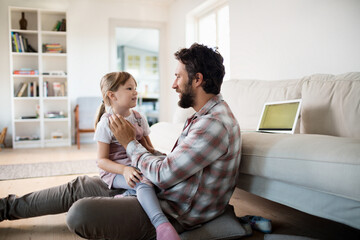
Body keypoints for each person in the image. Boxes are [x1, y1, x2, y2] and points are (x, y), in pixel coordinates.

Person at [0, 43, 241, 240]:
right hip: (156, 187)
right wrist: (135, 161)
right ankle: (4, 208)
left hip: (173, 211)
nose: (173, 84)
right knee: (79, 186)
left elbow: (164, 173)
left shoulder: (214, 125)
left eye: (178, 76)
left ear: (197, 79)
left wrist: (129, 144)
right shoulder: (203, 116)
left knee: (80, 213)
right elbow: (170, 164)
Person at [94, 71, 180, 240]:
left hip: (138, 162)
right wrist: (125, 170)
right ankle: (161, 225)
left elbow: (148, 147)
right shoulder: (106, 123)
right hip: (115, 171)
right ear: (112, 95)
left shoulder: (139, 118)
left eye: (135, 88)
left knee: (163, 172)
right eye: (129, 88)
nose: (135, 92)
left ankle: (128, 195)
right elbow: (102, 161)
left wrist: (160, 157)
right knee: (142, 181)